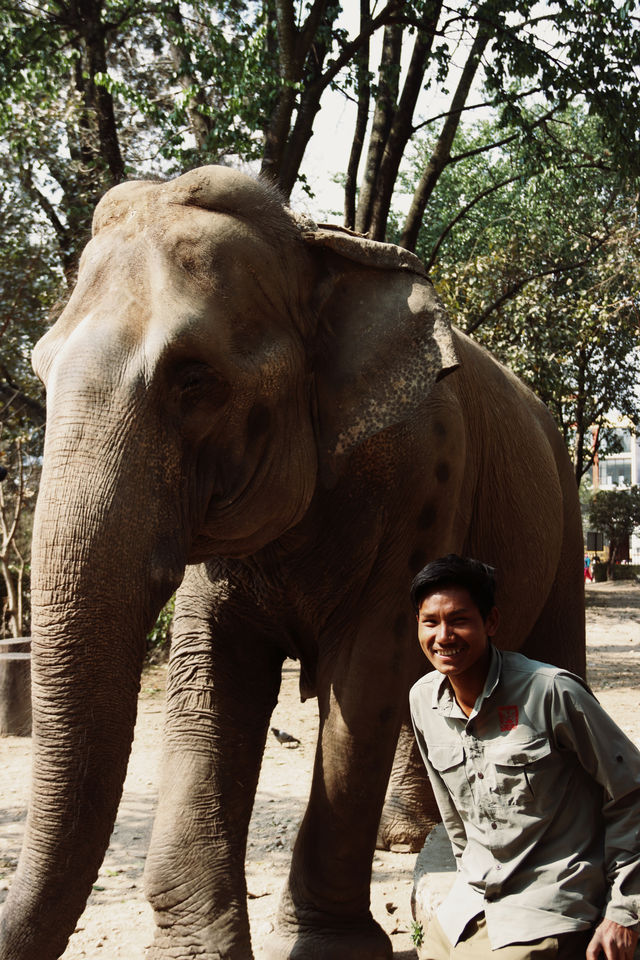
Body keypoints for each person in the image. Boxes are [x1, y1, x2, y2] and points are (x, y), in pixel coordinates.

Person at [409, 554, 640, 960]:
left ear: (491, 622)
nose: (443, 635)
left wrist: (624, 911)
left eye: (459, 619)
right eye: (430, 622)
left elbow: (631, 793)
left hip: (549, 905)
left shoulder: (552, 692)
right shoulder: (422, 700)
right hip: (471, 902)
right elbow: (454, 819)